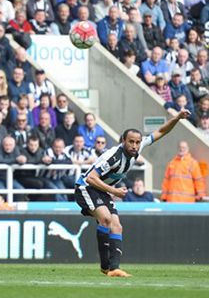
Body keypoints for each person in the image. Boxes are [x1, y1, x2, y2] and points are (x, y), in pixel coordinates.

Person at [74, 109, 191, 278]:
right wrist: (114, 190)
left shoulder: (138, 147)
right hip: (86, 187)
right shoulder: (112, 156)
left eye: (137, 142)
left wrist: (178, 118)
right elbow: (91, 178)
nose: (135, 145)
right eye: (131, 142)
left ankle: (113, 268)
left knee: (117, 226)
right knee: (106, 219)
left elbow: (161, 131)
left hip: (102, 190)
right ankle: (105, 265)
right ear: (123, 141)